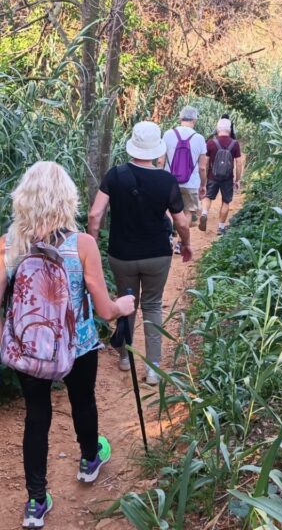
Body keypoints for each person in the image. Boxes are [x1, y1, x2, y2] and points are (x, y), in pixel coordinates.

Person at [0, 161, 136, 529]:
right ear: (68, 200)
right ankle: (88, 460)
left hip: (28, 351)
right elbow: (103, 309)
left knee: (37, 418)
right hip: (77, 347)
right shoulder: (82, 244)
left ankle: (36, 503)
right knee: (83, 401)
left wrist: (13, 348)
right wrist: (123, 306)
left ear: (23, 199)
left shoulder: (7, 246)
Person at [88, 121, 193, 386]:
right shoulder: (166, 180)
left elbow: (94, 214)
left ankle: (125, 357)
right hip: (157, 253)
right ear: (157, 149)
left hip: (121, 254)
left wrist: (91, 244)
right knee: (152, 305)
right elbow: (181, 222)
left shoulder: (115, 175)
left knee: (126, 302)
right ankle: (153, 368)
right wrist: (186, 243)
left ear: (133, 146)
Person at [162, 107, 208, 251]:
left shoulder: (168, 134)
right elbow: (202, 167)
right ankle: (181, 243)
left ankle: (169, 237)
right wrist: (203, 185)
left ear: (180, 118)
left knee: (167, 209)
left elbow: (159, 161)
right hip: (191, 183)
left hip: (168, 181)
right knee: (188, 211)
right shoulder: (199, 138)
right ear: (194, 120)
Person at [200, 117, 243, 236]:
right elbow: (239, 163)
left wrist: (205, 177)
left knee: (208, 196)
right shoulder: (235, 144)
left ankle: (204, 213)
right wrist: (238, 179)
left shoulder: (211, 143)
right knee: (225, 201)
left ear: (217, 129)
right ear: (229, 130)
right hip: (227, 178)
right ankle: (221, 227)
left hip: (212, 176)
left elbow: (206, 162)